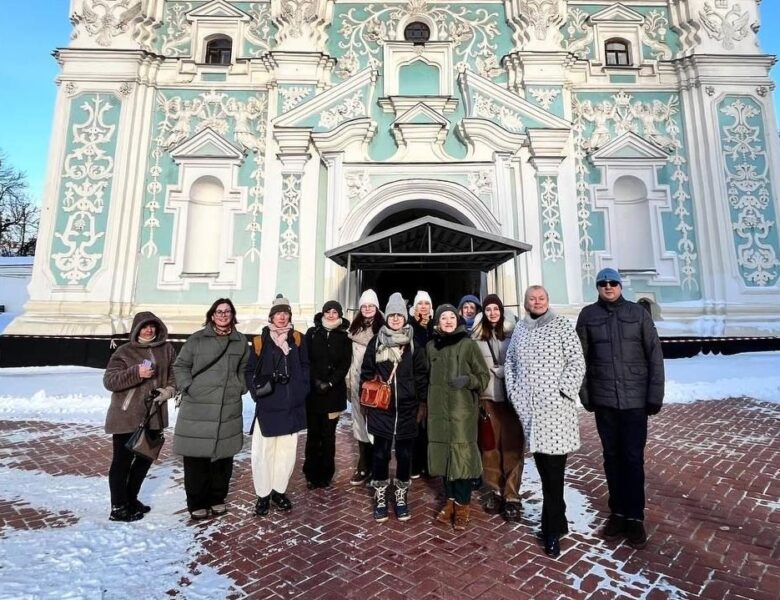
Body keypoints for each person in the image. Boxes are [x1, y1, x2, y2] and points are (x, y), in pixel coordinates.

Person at [576, 268, 665, 549]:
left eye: (613, 282)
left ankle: (635, 517)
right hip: (605, 401)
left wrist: (654, 395)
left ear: (620, 285)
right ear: (598, 287)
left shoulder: (638, 314)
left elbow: (655, 355)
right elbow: (580, 358)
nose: (608, 287)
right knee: (611, 458)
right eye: (603, 283)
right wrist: (586, 394)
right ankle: (617, 512)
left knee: (633, 459)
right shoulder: (588, 315)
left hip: (635, 401)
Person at [505, 286, 586, 558]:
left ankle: (550, 530)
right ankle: (559, 521)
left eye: (541, 298)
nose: (536, 302)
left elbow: (577, 361)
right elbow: (511, 364)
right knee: (545, 472)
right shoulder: (520, 329)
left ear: (547, 301)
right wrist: (516, 395)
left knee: (553, 474)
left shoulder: (562, 325)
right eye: (531, 299)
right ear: (525, 303)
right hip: (531, 413)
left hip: (556, 413)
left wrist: (563, 391)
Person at [173, 298, 248, 520]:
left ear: (232, 315)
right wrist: (189, 387)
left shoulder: (240, 341)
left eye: (227, 311)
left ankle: (217, 498)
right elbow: (181, 366)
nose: (223, 315)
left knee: (223, 458)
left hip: (228, 406)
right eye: (219, 311)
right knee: (196, 458)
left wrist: (239, 386)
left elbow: (243, 368)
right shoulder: (197, 339)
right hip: (198, 406)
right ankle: (196, 501)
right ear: (212, 315)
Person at [361, 292, 428, 522]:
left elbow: (421, 374)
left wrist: (420, 401)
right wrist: (369, 396)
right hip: (382, 408)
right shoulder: (376, 342)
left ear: (404, 318)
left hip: (407, 409)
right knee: (380, 454)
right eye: (392, 315)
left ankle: (401, 495)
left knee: (405, 454)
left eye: (400, 315)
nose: (396, 319)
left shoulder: (413, 344)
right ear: (387, 317)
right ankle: (380, 494)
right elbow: (366, 372)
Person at [104, 312, 176, 522]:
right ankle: (118, 506)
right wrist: (136, 373)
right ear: (137, 329)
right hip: (126, 416)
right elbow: (110, 381)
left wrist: (170, 389)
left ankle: (130, 498)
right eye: (145, 327)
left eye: (153, 326)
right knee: (122, 462)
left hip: (154, 415)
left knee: (144, 460)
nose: (149, 330)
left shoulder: (167, 349)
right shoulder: (124, 352)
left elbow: (174, 373)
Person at [427, 304, 490, 530]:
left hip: (462, 412)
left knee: (461, 459)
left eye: (451, 317)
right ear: (437, 322)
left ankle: (463, 506)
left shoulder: (468, 344)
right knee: (445, 458)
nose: (448, 321)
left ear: (458, 320)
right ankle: (450, 502)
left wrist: (468, 381)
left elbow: (483, 376)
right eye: (443, 318)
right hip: (438, 412)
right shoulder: (431, 347)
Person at [246, 294, 309, 516]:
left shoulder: (298, 339)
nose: (282, 317)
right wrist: (256, 393)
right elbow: (249, 370)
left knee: (286, 453)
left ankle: (279, 491)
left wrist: (302, 389)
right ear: (271, 317)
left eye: (286, 313)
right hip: (268, 405)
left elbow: (305, 366)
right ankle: (262, 494)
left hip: (291, 406)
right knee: (263, 452)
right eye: (278, 313)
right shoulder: (260, 341)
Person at [471, 294, 524, 522]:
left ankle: (511, 495)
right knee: (489, 446)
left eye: (496, 309)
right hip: (487, 398)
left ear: (502, 311)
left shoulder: (516, 334)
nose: (492, 313)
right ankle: (493, 489)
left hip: (511, 400)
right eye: (488, 309)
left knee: (512, 446)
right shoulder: (476, 336)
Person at [304, 300, 352, 488]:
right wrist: (315, 381)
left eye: (335, 312)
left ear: (339, 314)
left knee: (328, 435)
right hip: (314, 394)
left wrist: (331, 382)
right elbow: (306, 360)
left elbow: (345, 363)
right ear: (322, 313)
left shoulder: (344, 337)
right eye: (328, 311)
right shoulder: (312, 333)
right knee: (313, 434)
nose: (331, 315)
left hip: (333, 394)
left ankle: (326, 474)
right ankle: (311, 473)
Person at [347, 289, 384, 486]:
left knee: (377, 423)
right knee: (359, 422)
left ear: (377, 308)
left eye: (371, 306)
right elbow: (350, 359)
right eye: (364, 306)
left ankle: (378, 465)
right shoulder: (354, 329)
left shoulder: (383, 329)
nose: (368, 309)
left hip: (376, 383)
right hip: (356, 382)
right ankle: (364, 463)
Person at [409, 290, 433, 479]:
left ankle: (429, 464)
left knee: (431, 425)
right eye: (420, 304)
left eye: (426, 303)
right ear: (414, 307)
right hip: (415, 379)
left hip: (433, 380)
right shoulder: (409, 327)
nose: (423, 307)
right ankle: (415, 463)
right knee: (416, 423)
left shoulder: (435, 325)